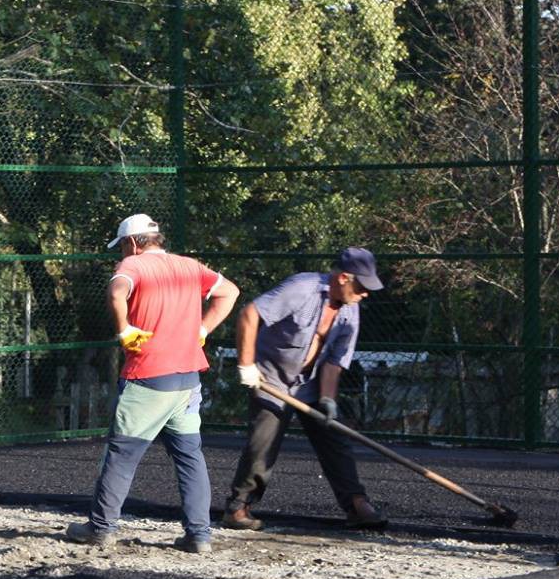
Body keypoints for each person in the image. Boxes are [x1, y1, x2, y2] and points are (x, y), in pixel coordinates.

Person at [65, 213, 239, 553]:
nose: (121, 255)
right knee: (190, 456)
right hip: (187, 378)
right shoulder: (190, 266)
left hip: (147, 376)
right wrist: (202, 330)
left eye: (121, 248)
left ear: (132, 243)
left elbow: (116, 293)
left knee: (122, 454)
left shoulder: (133, 267)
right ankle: (199, 535)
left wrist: (124, 329)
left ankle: (100, 528)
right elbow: (230, 292)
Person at [222, 248, 388, 530]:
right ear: (345, 278)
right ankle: (239, 507)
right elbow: (249, 315)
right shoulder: (302, 288)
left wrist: (326, 399)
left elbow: (335, 359)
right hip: (270, 377)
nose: (365, 294)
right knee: (264, 440)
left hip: (309, 384)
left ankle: (357, 504)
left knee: (334, 437)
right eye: (361, 287)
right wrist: (246, 365)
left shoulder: (351, 308)